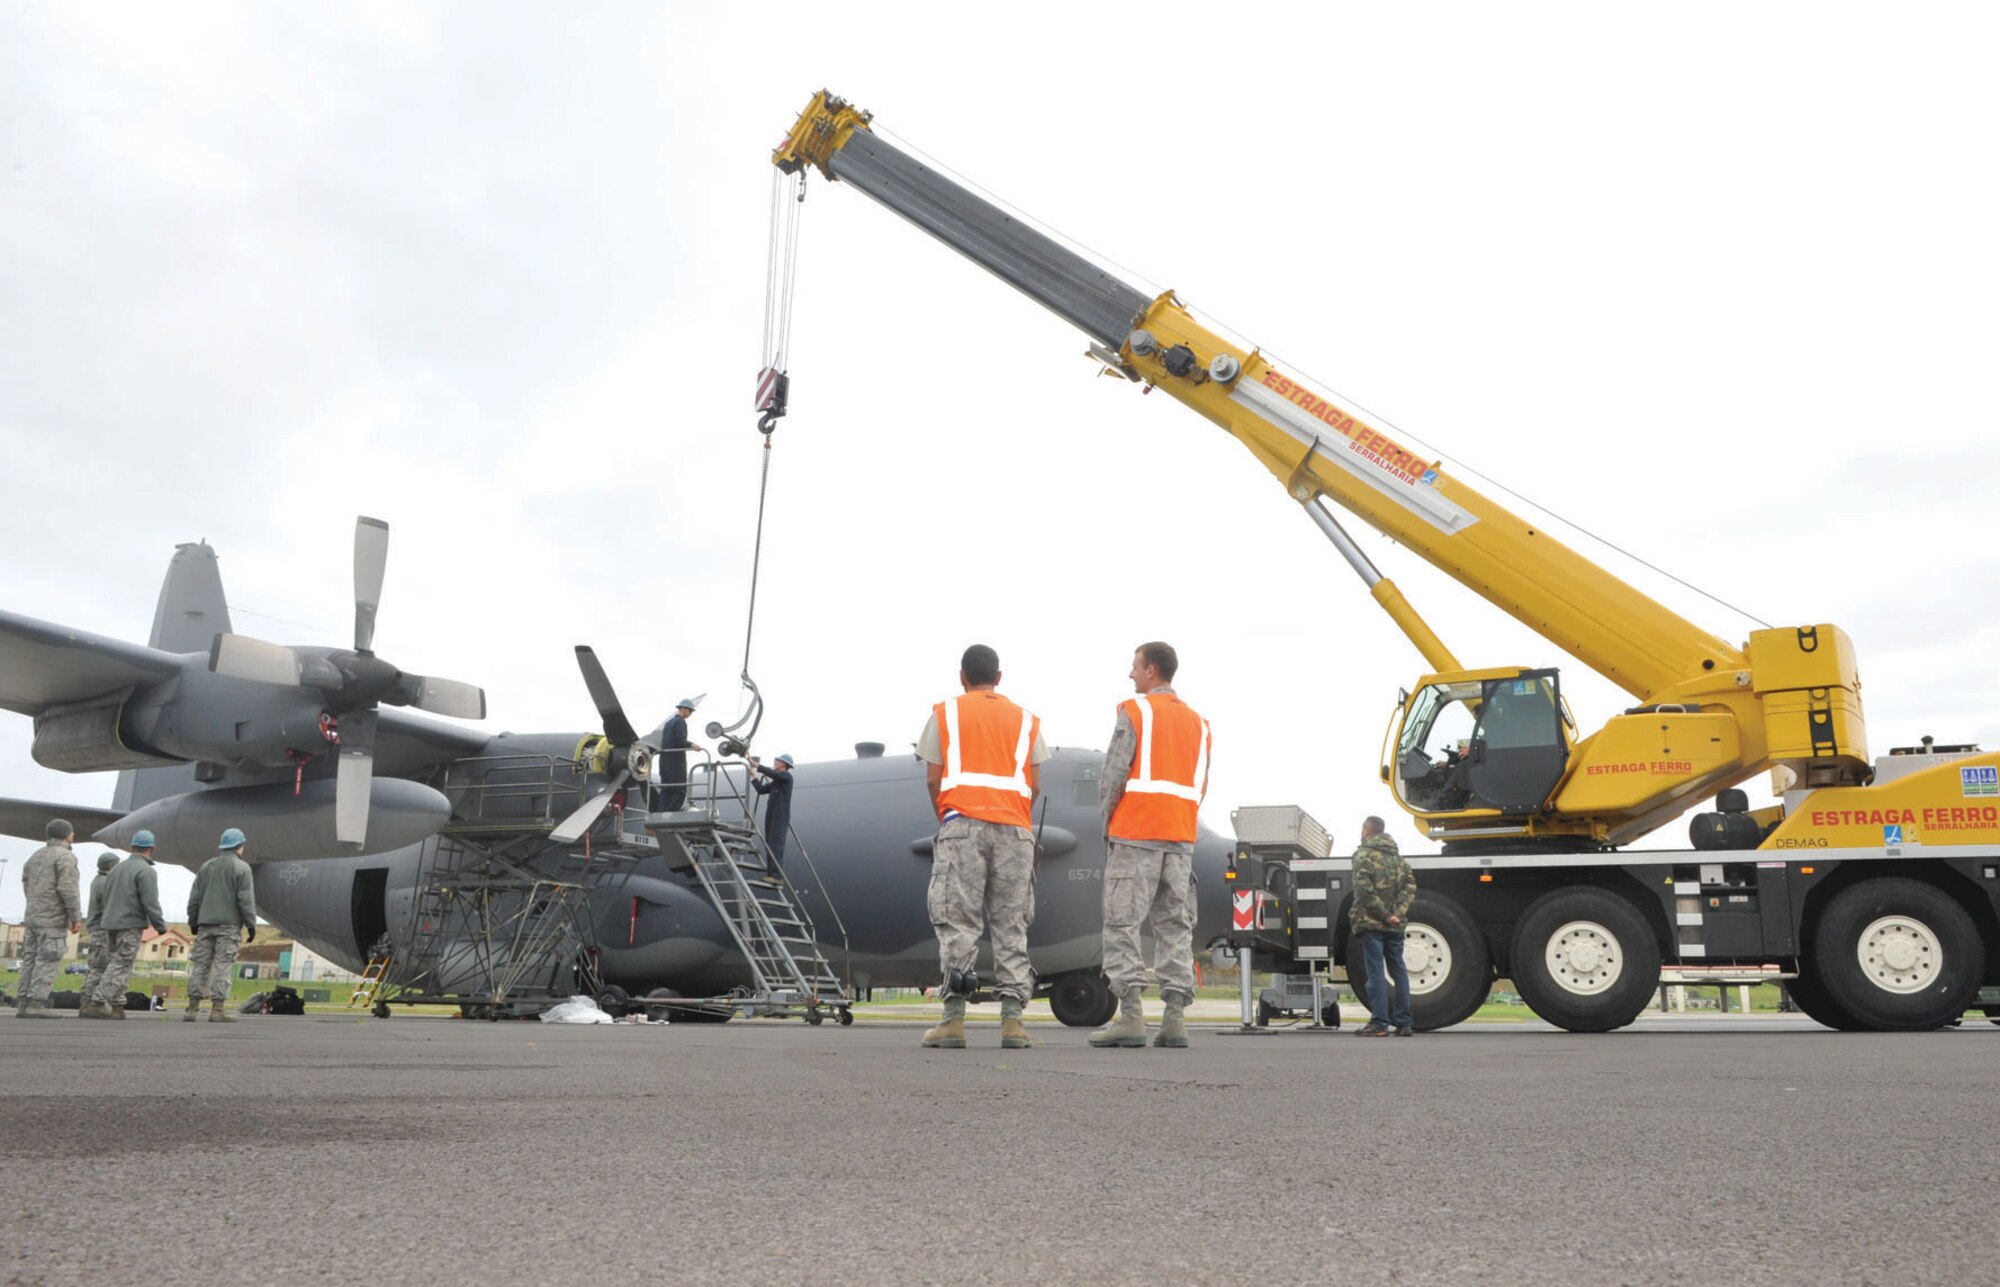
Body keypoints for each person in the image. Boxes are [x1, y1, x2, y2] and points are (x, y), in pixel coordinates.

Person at [915, 644, 1052, 1050]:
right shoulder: (1026, 720)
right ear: (999, 676)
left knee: (958, 922)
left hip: (962, 826)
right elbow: (1036, 784)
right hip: (1014, 829)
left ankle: (953, 1019)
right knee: (1011, 925)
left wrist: (949, 816)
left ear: (962, 676)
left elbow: (931, 777)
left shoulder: (945, 713)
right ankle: (1013, 1022)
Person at [1090, 642, 1213, 1050]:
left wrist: (1107, 826)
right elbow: (1200, 786)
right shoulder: (1200, 723)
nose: (1131, 674)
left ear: (1152, 671)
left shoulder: (1135, 711)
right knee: (1175, 925)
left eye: (1135, 667)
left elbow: (1114, 774)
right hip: (1179, 838)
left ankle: (1130, 1018)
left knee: (1122, 923)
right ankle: (1175, 1020)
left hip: (1136, 832)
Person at [84, 830, 168, 1021]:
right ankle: (97, 1002)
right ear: (151, 849)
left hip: (109, 924)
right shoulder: (146, 871)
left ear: (132, 847)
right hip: (129, 924)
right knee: (120, 965)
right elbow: (150, 902)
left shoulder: (117, 869)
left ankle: (118, 1005)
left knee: (117, 963)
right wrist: (159, 925)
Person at [1349, 815, 1417, 1037]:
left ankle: (1379, 1023)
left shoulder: (1363, 856)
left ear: (1367, 831)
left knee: (1376, 973)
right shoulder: (1400, 860)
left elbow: (1364, 891)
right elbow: (1409, 888)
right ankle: (1405, 1023)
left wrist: (1385, 915)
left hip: (1373, 924)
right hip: (1395, 926)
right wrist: (1397, 914)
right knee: (1399, 971)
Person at [184, 827, 258, 1023]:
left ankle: (192, 1008)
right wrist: (251, 924)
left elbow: (194, 898)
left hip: (205, 925)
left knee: (201, 966)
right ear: (239, 846)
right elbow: (245, 900)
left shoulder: (206, 867)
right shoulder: (242, 869)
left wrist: (193, 921)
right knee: (223, 966)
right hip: (229, 926)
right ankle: (217, 1009)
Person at [16, 819, 82, 1018]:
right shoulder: (65, 857)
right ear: (68, 835)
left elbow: (25, 883)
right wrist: (75, 917)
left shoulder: (35, 856)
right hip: (53, 919)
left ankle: (24, 1001)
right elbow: (68, 889)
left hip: (33, 917)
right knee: (48, 959)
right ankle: (37, 1002)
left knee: (30, 959)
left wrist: (34, 905)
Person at [78, 851, 119, 1011]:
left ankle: (87, 1000)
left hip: (96, 929)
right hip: (102, 931)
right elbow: (109, 907)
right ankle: (88, 1002)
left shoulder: (98, 881)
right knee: (99, 967)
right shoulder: (105, 884)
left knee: (95, 967)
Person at [749, 753, 796, 876]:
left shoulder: (787, 777)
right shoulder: (777, 782)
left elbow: (773, 773)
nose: (775, 761)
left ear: (784, 764)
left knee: (776, 844)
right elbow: (761, 790)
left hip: (780, 815)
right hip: (772, 814)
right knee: (769, 843)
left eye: (778, 760)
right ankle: (771, 874)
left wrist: (757, 766)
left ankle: (776, 875)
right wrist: (754, 778)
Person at [658, 698, 702, 812]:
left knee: (666, 790)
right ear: (683, 709)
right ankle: (671, 815)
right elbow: (679, 741)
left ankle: (662, 816)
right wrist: (692, 745)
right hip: (675, 763)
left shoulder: (668, 723)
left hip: (664, 761)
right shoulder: (680, 722)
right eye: (690, 711)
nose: (690, 714)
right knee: (679, 790)